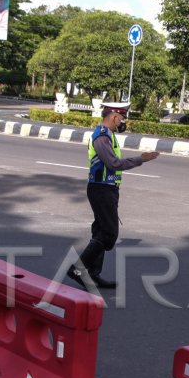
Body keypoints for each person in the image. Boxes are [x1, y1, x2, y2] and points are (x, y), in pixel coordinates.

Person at [68, 101, 158, 291]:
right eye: (122, 118)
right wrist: (141, 159)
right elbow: (113, 164)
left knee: (100, 230)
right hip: (100, 188)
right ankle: (78, 270)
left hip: (107, 188)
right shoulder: (101, 136)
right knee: (109, 233)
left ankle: (92, 274)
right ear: (114, 117)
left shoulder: (108, 135)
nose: (122, 123)